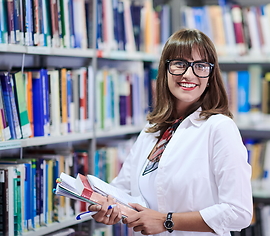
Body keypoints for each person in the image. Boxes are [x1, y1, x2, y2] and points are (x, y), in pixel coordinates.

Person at [89, 28, 253, 236]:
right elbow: (124, 192)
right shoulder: (151, 132)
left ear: (211, 75)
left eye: (200, 66)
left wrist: (167, 221)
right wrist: (107, 207)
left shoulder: (219, 128)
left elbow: (239, 212)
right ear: (165, 71)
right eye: (179, 64)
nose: (188, 74)